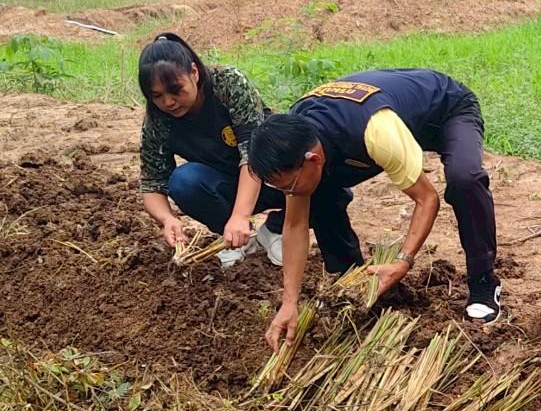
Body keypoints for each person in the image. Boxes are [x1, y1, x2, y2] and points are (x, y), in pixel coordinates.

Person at [247, 68, 502, 350]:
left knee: (464, 178)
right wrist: (289, 302)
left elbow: (427, 199)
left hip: (445, 109)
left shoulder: (375, 131)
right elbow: (295, 225)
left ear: (313, 159)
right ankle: (352, 280)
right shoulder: (294, 144)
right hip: (382, 120)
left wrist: (402, 261)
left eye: (289, 186)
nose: (288, 195)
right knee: (317, 194)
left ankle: (483, 283)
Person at [137, 33, 282, 266]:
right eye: (157, 96)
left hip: (273, 175)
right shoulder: (158, 120)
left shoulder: (228, 84)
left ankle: (274, 228)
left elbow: (252, 154)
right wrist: (167, 219)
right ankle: (236, 240)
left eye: (176, 90)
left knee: (331, 193)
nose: (168, 102)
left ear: (194, 73)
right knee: (185, 182)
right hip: (224, 184)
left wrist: (241, 216)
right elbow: (152, 182)